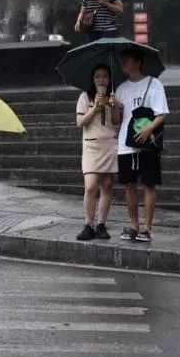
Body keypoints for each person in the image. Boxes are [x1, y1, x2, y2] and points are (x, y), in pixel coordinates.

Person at [112, 45, 168, 243]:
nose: (124, 63)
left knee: (148, 184)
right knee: (129, 185)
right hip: (125, 144)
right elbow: (117, 120)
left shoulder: (154, 84)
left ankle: (147, 227)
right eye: (123, 59)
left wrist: (148, 129)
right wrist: (115, 106)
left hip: (147, 143)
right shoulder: (120, 88)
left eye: (127, 59)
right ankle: (134, 225)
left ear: (138, 61)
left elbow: (162, 114)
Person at [75, 64, 120, 241]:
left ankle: (101, 223)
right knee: (91, 185)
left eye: (105, 77)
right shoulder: (85, 97)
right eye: (98, 77)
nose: (101, 80)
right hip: (91, 146)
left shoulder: (113, 97)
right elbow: (80, 122)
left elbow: (116, 121)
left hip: (109, 144)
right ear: (92, 79)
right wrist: (95, 108)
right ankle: (88, 224)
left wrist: (114, 105)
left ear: (109, 80)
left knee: (107, 185)